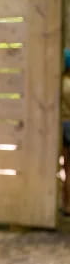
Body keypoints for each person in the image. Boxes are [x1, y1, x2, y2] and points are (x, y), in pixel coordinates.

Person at [61, 48, 70, 215]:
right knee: (68, 169)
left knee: (63, 167)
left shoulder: (60, 83)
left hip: (61, 126)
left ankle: (64, 204)